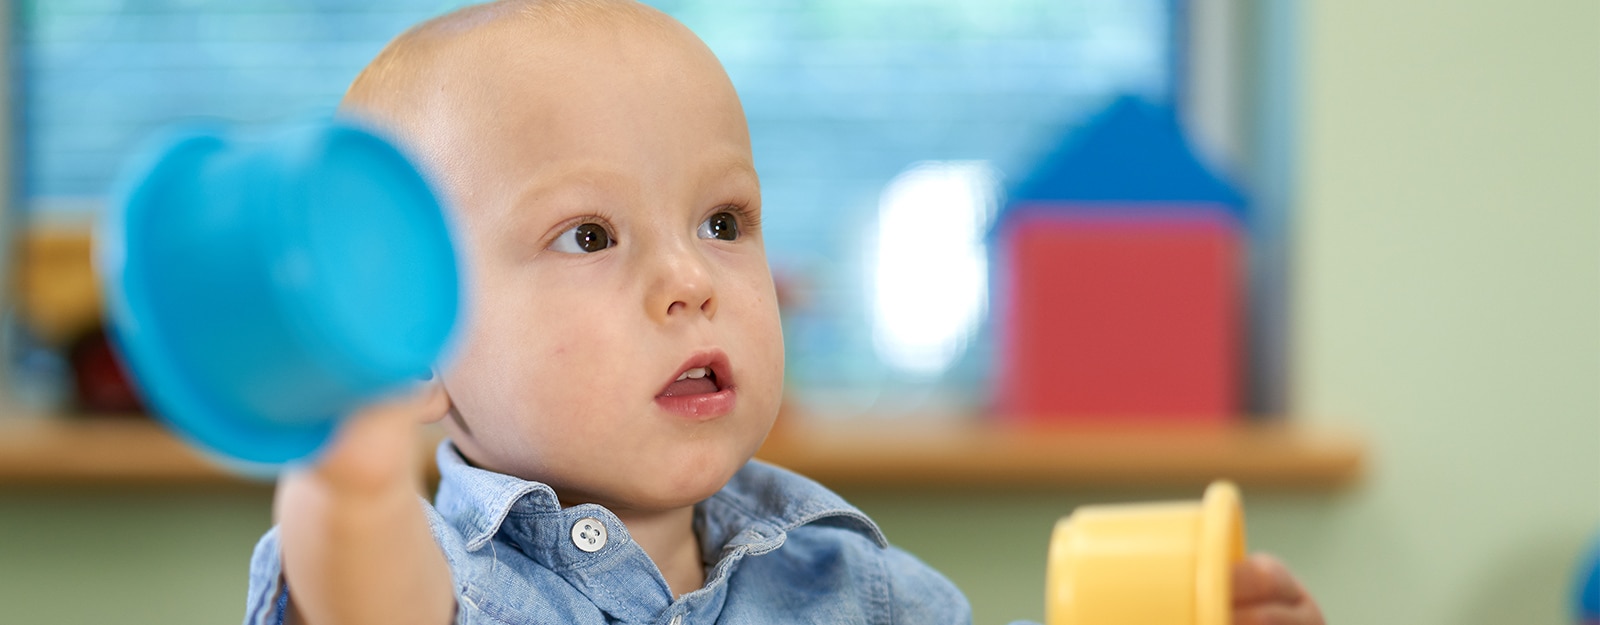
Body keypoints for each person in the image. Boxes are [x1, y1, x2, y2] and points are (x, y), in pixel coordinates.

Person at [243, 1, 1326, 624]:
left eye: (722, 220)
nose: (691, 279)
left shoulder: (853, 582)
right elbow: (360, 581)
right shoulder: (434, 581)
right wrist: (345, 461)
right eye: (589, 235)